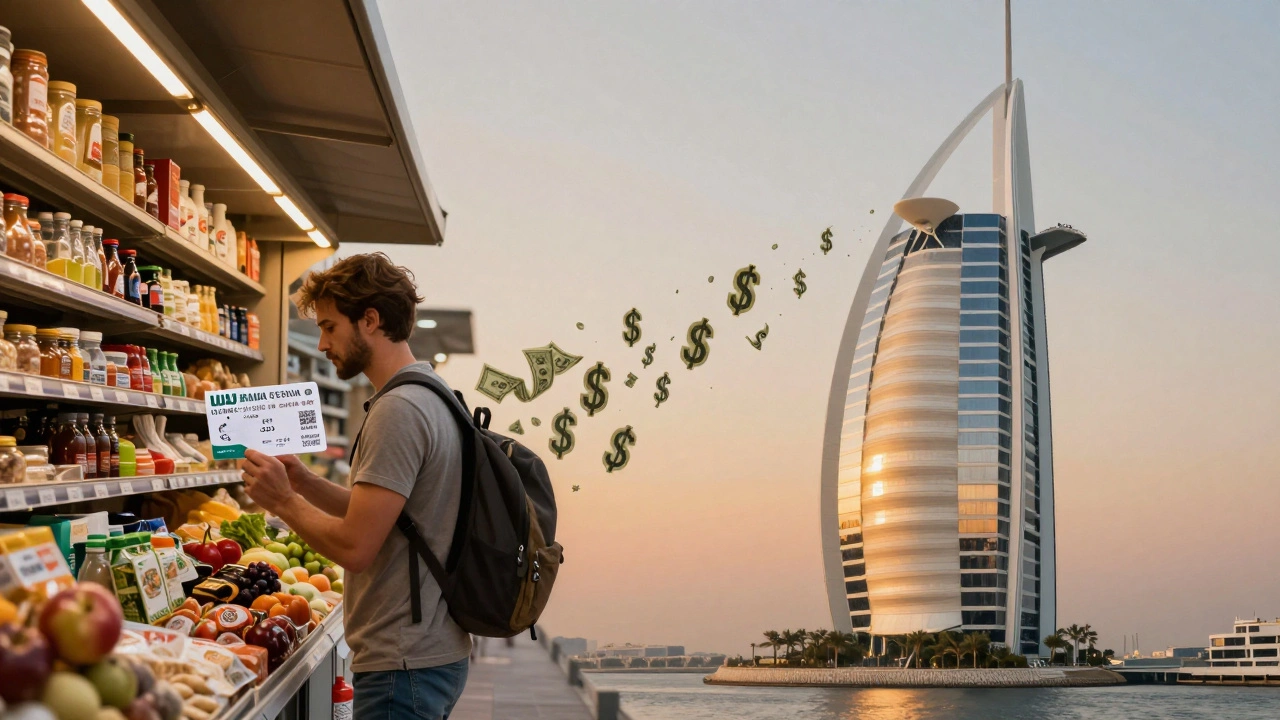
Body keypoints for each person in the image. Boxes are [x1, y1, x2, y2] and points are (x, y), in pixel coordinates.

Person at [240, 253, 471, 718]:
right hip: (430, 650)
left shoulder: (399, 411)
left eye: (329, 327)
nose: (322, 343)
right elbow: (386, 518)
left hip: (402, 663)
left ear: (369, 320)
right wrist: (302, 481)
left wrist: (282, 501)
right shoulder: (433, 395)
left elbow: (356, 547)